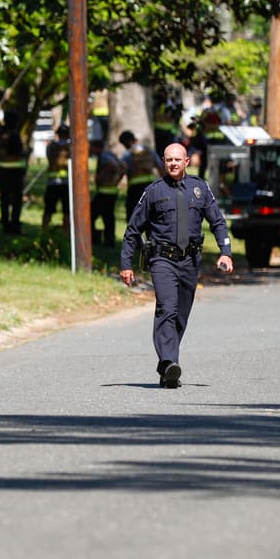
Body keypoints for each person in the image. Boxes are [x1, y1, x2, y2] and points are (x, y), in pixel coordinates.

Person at [120, 143, 234, 388]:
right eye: (169, 160)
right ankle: (170, 361)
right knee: (167, 308)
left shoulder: (199, 188)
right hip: (162, 260)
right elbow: (133, 230)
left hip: (190, 261)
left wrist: (225, 252)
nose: (173, 163)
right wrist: (126, 264)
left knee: (181, 315)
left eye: (177, 159)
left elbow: (217, 222)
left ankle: (167, 369)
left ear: (186, 161)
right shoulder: (153, 191)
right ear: (163, 162)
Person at [0, 112, 28, 234]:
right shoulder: (13, 135)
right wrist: (26, 153)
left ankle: (5, 223)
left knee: (5, 198)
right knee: (16, 200)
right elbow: (17, 151)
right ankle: (15, 225)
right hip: (15, 171)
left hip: (1, 170)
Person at [91, 134, 126, 248]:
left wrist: (100, 176)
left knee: (91, 215)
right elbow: (123, 166)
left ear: (97, 147)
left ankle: (96, 238)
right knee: (108, 217)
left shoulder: (104, 156)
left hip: (104, 192)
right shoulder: (110, 154)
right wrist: (118, 179)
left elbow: (113, 166)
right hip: (112, 191)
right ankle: (109, 241)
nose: (91, 151)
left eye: (92, 148)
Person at [120, 130, 162, 221]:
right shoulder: (149, 150)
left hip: (135, 187)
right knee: (151, 212)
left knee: (133, 214)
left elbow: (122, 169)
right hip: (151, 184)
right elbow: (160, 166)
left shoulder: (128, 154)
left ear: (127, 142)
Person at [42, 125, 71, 228]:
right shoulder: (70, 147)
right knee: (67, 210)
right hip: (66, 183)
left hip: (52, 183)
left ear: (58, 134)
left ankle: (44, 230)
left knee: (48, 209)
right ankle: (67, 231)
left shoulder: (50, 146)